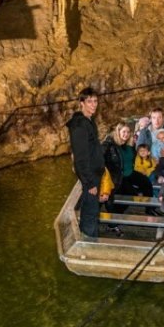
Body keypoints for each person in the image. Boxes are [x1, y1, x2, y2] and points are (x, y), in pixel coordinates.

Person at [67, 87, 106, 237]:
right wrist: (89, 182)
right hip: (90, 176)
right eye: (89, 101)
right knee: (91, 210)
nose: (94, 104)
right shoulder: (79, 126)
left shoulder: (89, 121)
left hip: (95, 172)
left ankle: (88, 235)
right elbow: (80, 157)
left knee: (91, 208)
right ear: (81, 103)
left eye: (95, 101)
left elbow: (92, 149)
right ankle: (89, 242)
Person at [103, 123, 154, 212]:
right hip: (119, 176)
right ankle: (116, 215)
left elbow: (135, 159)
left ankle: (150, 209)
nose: (126, 134)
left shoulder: (129, 145)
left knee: (147, 183)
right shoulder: (111, 145)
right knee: (131, 194)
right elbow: (101, 157)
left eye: (128, 132)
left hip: (130, 173)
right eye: (124, 131)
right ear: (118, 132)